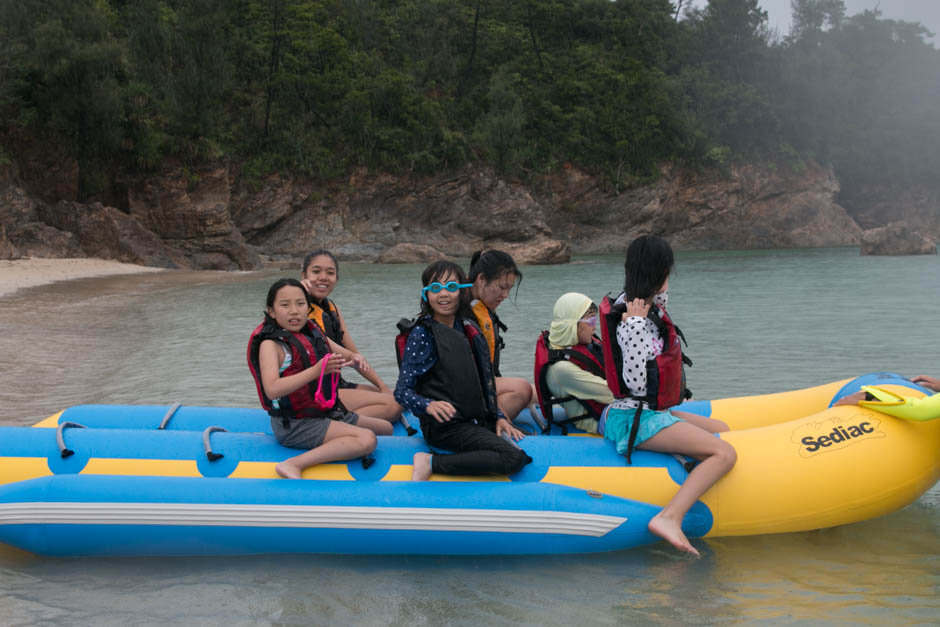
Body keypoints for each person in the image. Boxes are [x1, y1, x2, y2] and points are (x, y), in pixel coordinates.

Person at [600, 235, 736, 556]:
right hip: (636, 419)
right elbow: (634, 381)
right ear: (660, 273)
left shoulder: (644, 307)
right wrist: (635, 324)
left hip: (650, 412)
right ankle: (669, 517)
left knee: (721, 428)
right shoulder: (633, 320)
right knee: (725, 453)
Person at [394, 260, 532, 481]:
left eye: (451, 287)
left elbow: (481, 380)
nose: (444, 295)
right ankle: (431, 461)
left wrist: (497, 415)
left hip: (471, 420)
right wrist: (429, 405)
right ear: (426, 294)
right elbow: (401, 392)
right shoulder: (423, 334)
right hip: (444, 428)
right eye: (435, 288)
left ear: (462, 291)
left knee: (515, 441)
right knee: (512, 458)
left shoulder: (466, 327)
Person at [247, 278, 393, 479]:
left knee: (386, 428)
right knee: (367, 439)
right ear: (271, 311)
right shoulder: (271, 346)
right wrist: (317, 371)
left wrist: (356, 358)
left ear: (308, 308)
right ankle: (293, 464)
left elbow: (348, 355)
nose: (293, 311)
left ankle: (341, 431)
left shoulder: (311, 333)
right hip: (296, 424)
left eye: (300, 304)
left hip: (325, 412)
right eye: (285, 305)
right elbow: (272, 389)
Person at [300, 250, 403, 425]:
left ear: (337, 279)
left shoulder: (331, 308)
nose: (323, 277)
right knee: (393, 405)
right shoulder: (296, 312)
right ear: (304, 276)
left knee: (389, 396)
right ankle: (335, 425)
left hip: (335, 384)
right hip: (313, 390)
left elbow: (355, 355)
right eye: (316, 272)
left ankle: (342, 418)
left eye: (330, 273)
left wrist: (383, 387)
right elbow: (335, 348)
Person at [467, 250, 536, 422]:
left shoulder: (480, 309)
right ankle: (492, 425)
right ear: (481, 280)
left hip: (483, 384)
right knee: (523, 389)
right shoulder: (460, 314)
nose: (506, 295)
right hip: (464, 389)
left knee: (537, 392)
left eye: (509, 288)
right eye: (502, 287)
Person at [534, 293, 613, 433]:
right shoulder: (561, 369)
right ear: (573, 324)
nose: (595, 327)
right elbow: (612, 394)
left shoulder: (570, 345)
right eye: (591, 322)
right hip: (599, 421)